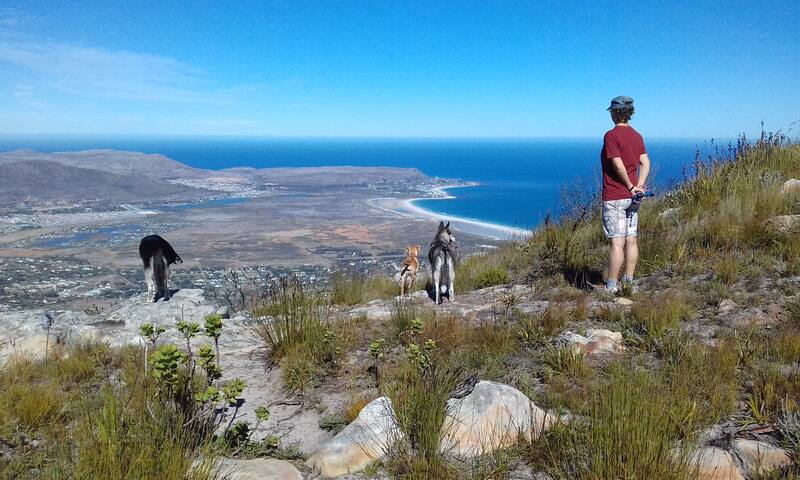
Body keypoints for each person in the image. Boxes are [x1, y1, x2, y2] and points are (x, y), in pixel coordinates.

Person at [600, 95, 650, 294]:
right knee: (631, 239)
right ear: (630, 113)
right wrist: (639, 185)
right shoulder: (637, 136)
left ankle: (611, 286)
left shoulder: (611, 136)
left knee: (617, 242)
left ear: (614, 113)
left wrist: (630, 186)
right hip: (633, 197)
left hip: (615, 195)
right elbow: (645, 162)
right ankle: (628, 282)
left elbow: (617, 164)